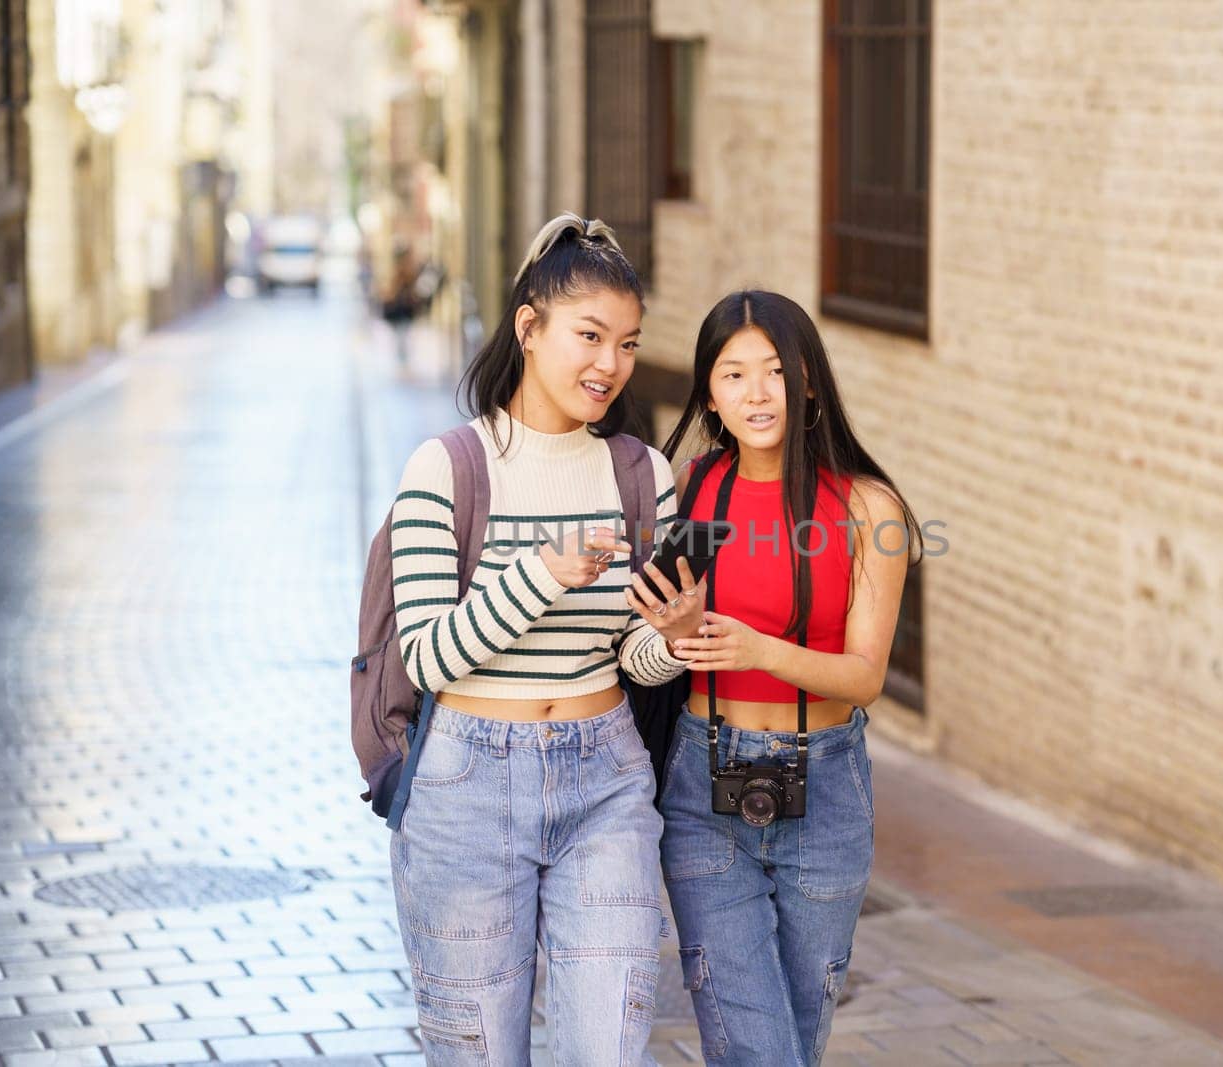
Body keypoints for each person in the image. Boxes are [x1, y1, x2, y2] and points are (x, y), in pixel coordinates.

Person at [387, 213, 703, 1064]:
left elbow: (632, 658)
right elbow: (428, 655)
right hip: (466, 784)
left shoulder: (641, 473)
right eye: (590, 335)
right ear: (529, 328)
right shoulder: (447, 467)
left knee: (608, 1048)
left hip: (605, 776)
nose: (610, 364)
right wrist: (539, 576)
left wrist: (670, 639)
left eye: (628, 343)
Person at [654, 290, 921, 1065]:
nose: (756, 392)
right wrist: (671, 633)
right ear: (709, 391)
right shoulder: (694, 490)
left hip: (826, 788)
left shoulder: (870, 507)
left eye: (774, 370)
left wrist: (756, 649)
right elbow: (660, 631)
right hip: (704, 783)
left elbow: (865, 676)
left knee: (794, 1039)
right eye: (733, 374)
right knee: (754, 1045)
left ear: (807, 380)